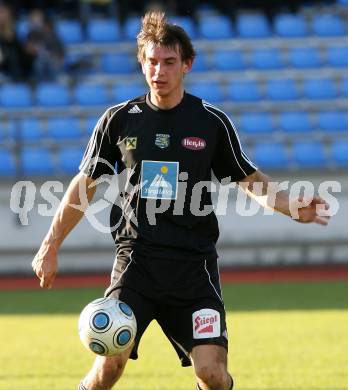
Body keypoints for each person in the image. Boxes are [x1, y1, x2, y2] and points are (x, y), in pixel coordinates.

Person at [32, 11, 330, 390]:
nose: (160, 71)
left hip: (193, 268)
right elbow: (85, 184)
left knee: (213, 375)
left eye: (169, 62)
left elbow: (250, 180)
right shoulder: (120, 120)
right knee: (108, 368)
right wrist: (50, 244)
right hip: (136, 263)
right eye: (152, 62)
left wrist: (291, 207)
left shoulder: (211, 122)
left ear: (187, 65)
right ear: (142, 64)